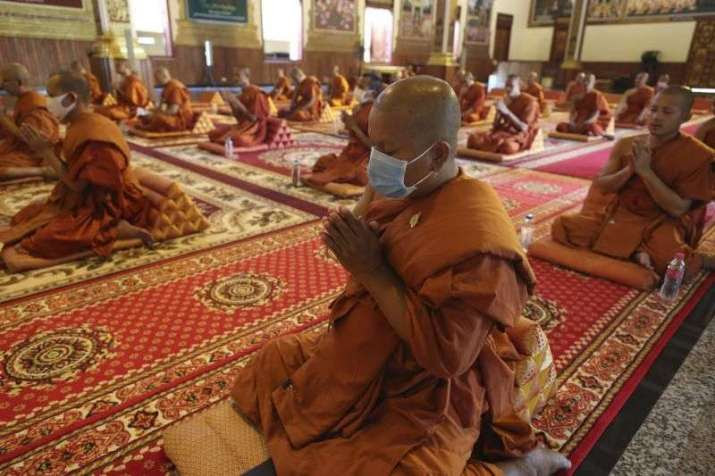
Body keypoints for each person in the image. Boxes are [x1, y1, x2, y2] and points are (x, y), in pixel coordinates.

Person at [227, 76, 570, 476]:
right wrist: (365, 206)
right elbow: (354, 238)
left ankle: (520, 469)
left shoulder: (480, 239)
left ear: (437, 153)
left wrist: (372, 270)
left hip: (425, 389)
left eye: (386, 151)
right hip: (367, 345)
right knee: (269, 364)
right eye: (373, 147)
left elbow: (446, 359)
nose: (374, 162)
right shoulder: (405, 184)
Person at [552, 86, 714, 278]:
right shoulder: (627, 144)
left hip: (660, 222)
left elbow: (678, 209)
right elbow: (603, 185)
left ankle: (641, 249)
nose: (656, 117)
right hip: (619, 216)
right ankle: (637, 251)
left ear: (685, 117)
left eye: (667, 112)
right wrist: (629, 170)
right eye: (653, 109)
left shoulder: (698, 155)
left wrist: (646, 172)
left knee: (677, 267)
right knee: (563, 227)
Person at [0, 71, 154, 271]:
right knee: (26, 217)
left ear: (71, 98)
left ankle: (117, 228)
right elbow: (73, 174)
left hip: (113, 203)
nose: (47, 102)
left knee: (42, 240)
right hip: (87, 194)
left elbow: (78, 186)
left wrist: (44, 151)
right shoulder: (78, 124)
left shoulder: (94, 134)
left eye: (51, 95)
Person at [0, 63, 60, 181]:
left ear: (18, 82)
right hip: (21, 147)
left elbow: (32, 138)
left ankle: (42, 171)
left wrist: (2, 117)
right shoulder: (23, 100)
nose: (2, 86)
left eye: (5, 81)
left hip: (36, 153)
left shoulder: (33, 102)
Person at [304, 92, 374, 189]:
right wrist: (349, 122)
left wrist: (353, 127)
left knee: (360, 175)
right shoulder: (363, 110)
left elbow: (375, 146)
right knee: (323, 162)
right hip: (350, 152)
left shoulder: (381, 118)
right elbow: (352, 134)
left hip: (366, 156)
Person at [466, 74, 540, 154]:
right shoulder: (506, 100)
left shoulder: (530, 102)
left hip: (516, 135)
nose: (508, 89)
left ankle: (494, 146)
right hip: (501, 133)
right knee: (472, 138)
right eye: (506, 86)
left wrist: (506, 112)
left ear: (520, 86)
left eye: (511, 86)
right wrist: (498, 113)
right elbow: (495, 126)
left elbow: (524, 127)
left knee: (507, 146)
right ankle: (494, 146)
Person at [208, 69, 272, 148]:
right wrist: (231, 102)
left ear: (247, 77)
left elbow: (254, 119)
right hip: (241, 126)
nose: (235, 78)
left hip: (254, 129)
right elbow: (238, 118)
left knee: (238, 139)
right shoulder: (242, 93)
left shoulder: (257, 93)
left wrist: (236, 102)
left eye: (238, 75)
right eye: (235, 75)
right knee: (213, 134)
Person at [137, 67, 193, 132]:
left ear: (164, 76)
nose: (156, 81)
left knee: (159, 119)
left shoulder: (175, 87)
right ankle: (150, 125)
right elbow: (161, 107)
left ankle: (148, 127)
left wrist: (155, 115)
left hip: (180, 119)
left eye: (157, 78)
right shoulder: (167, 87)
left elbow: (173, 110)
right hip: (171, 115)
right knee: (144, 115)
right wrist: (150, 111)